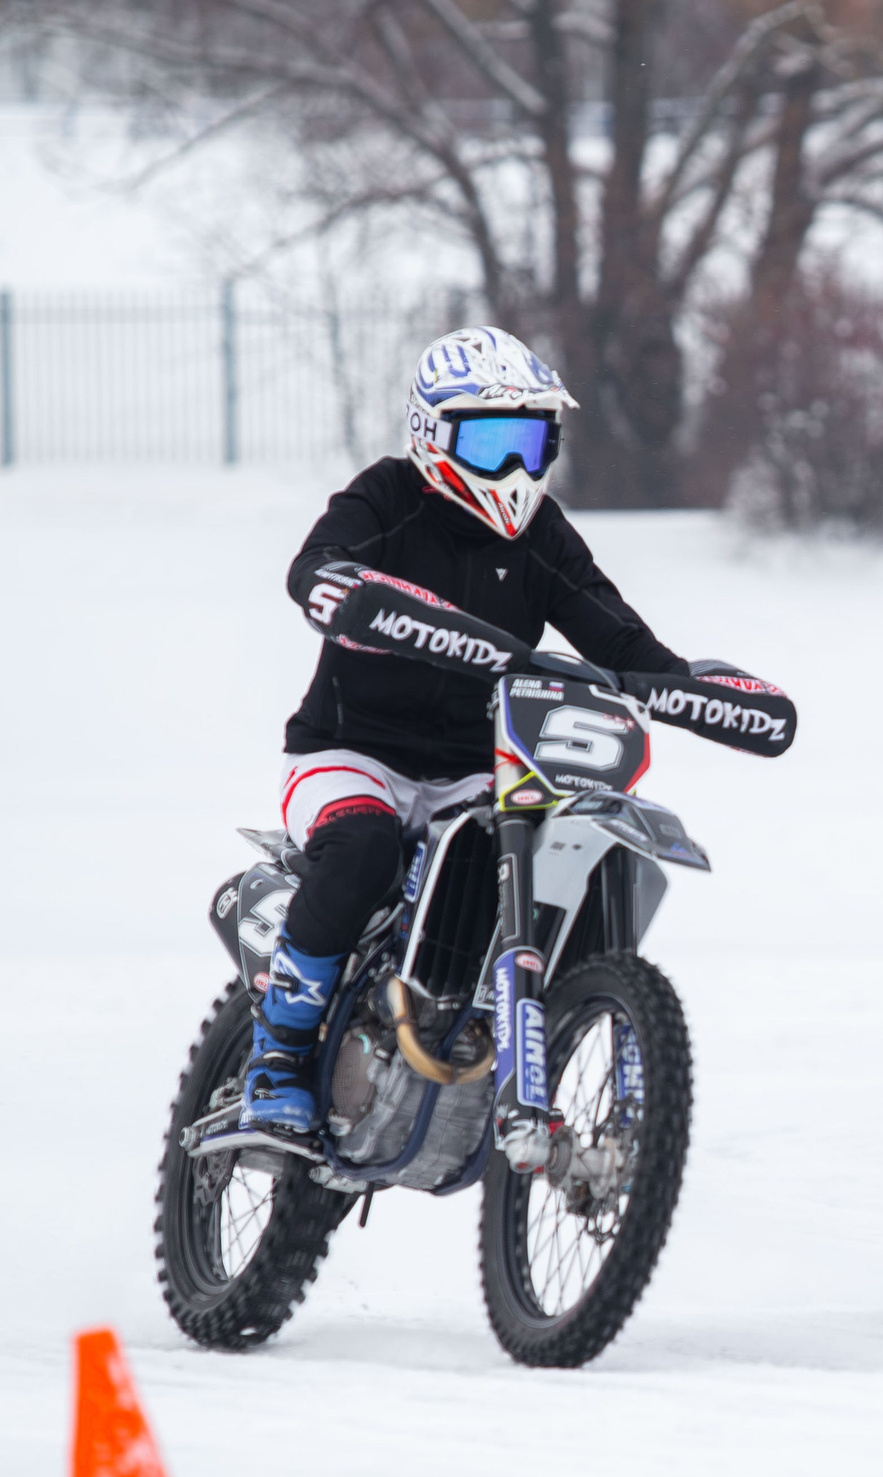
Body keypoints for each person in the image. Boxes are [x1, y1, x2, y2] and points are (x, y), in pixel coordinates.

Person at [246, 325, 725, 1134]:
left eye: (531, 441)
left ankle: (515, 1030)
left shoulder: (541, 533)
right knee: (362, 846)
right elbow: (315, 566)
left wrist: (683, 684)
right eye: (492, 439)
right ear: (434, 434)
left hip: (479, 769)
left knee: (546, 854)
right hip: (352, 754)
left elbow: (614, 631)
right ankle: (280, 1052)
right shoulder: (389, 496)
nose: (513, 467)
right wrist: (341, 589)